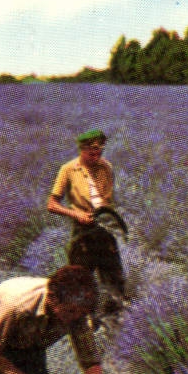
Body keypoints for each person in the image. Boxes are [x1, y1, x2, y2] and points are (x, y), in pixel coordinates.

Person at [46, 128, 127, 318]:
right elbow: (52, 204)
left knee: (115, 279)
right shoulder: (68, 169)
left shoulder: (106, 167)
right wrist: (76, 214)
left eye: (99, 152)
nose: (96, 157)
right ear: (82, 150)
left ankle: (114, 320)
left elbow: (107, 200)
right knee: (80, 281)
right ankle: (84, 322)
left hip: (104, 228)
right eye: (92, 153)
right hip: (83, 231)